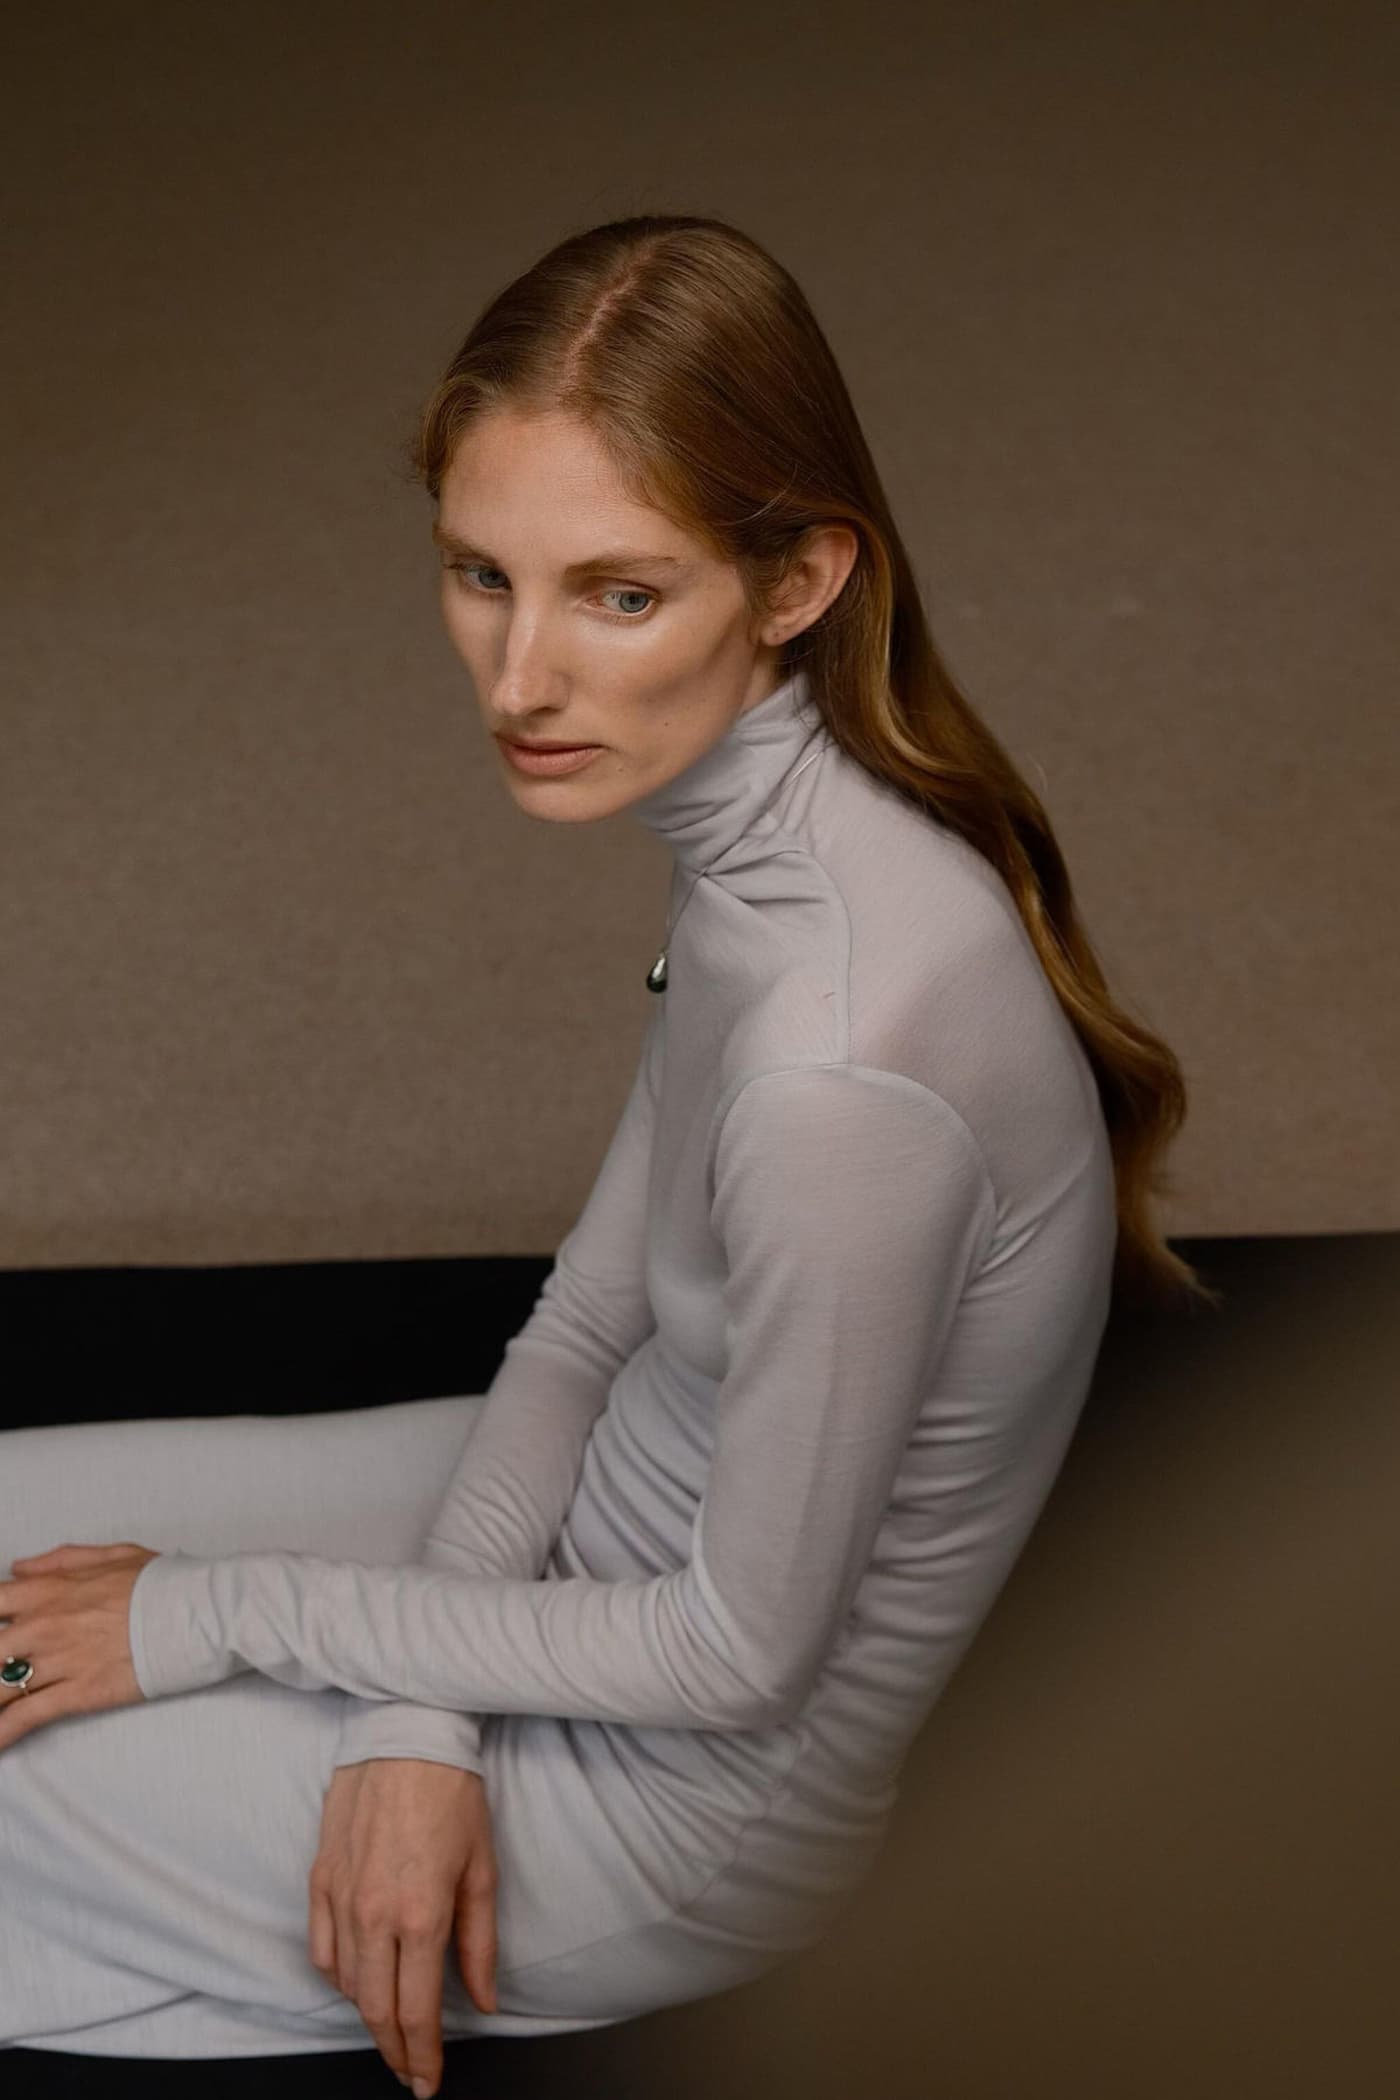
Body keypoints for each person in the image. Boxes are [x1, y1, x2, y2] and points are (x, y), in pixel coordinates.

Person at [0, 214, 1216, 2097]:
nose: (519, 678)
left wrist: (225, 1616)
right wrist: (411, 1708)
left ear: (799, 577)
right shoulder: (765, 847)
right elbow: (582, 1328)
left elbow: (737, 1657)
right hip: (558, 1569)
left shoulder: (840, 1071)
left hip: (670, 1810)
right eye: (481, 574)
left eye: (618, 597)